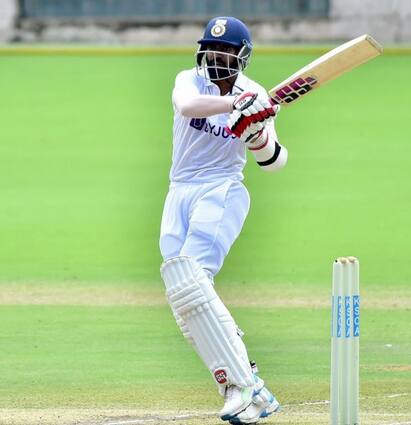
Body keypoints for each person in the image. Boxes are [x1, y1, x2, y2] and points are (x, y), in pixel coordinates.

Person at [158, 16, 286, 424]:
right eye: (212, 50)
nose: (217, 57)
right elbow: (186, 106)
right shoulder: (189, 80)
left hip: (222, 190)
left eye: (226, 51)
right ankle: (247, 382)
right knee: (183, 296)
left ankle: (244, 388)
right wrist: (235, 106)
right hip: (179, 190)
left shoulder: (256, 93)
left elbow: (274, 162)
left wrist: (256, 135)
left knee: (194, 279)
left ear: (240, 56)